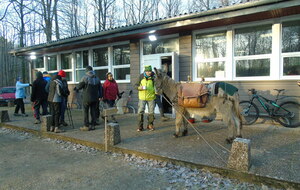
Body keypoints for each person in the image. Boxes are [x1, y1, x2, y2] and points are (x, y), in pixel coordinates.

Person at [74, 66, 103, 131]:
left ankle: (86, 125)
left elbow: (79, 86)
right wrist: (100, 96)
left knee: (85, 112)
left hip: (86, 98)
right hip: (95, 98)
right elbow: (100, 89)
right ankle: (93, 125)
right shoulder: (97, 78)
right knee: (93, 112)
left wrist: (76, 88)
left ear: (86, 71)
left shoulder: (85, 78)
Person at [134, 65, 156, 131]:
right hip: (142, 98)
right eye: (147, 71)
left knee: (151, 112)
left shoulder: (154, 77)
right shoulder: (141, 76)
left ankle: (150, 125)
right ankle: (140, 126)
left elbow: (157, 85)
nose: (149, 72)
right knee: (140, 111)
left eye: (150, 71)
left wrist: (157, 91)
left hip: (151, 97)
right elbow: (135, 85)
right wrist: (139, 88)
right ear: (145, 71)